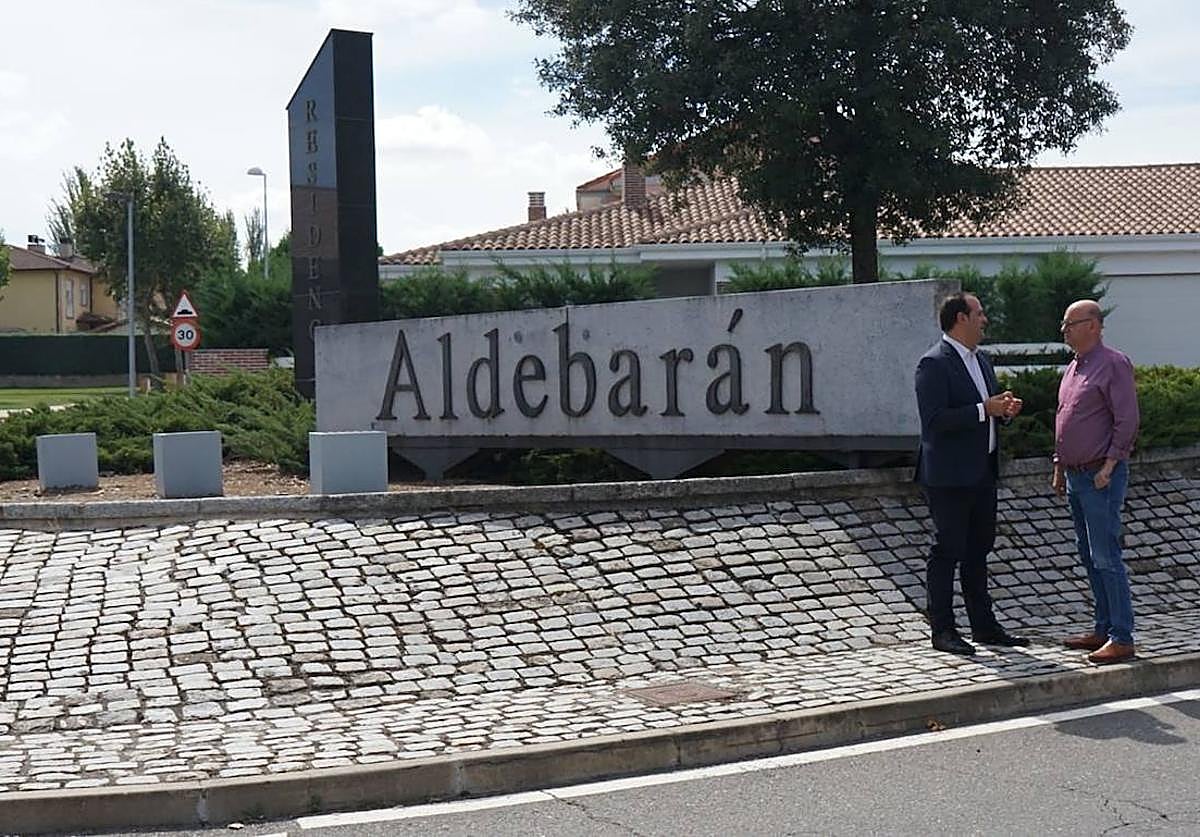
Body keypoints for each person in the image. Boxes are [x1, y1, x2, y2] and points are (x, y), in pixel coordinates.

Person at [914, 292, 1029, 656]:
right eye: (979, 313)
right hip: (948, 476)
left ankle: (984, 626)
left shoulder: (983, 360)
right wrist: (984, 409)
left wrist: (1003, 411)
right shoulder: (933, 363)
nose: (985, 319)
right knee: (947, 550)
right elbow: (934, 422)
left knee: (979, 549)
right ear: (960, 318)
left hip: (982, 471)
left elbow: (986, 410)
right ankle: (943, 630)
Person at [1052, 299, 1140, 665]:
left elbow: (1127, 419)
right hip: (1076, 475)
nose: (1065, 330)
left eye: (1071, 324)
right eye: (1064, 324)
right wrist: (1059, 465)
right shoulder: (1074, 367)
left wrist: (1108, 466)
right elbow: (1064, 417)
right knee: (1089, 555)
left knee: (1106, 556)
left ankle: (1122, 636)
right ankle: (1103, 627)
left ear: (1093, 325)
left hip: (1099, 476)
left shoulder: (1113, 364)